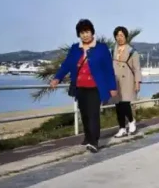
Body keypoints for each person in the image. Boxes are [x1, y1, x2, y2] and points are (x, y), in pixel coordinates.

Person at [50, 19, 117, 153]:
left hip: (95, 87)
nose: (85, 35)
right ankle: (87, 136)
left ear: (92, 32)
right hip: (80, 86)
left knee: (93, 114)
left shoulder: (101, 48)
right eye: (82, 33)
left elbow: (108, 69)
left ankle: (94, 142)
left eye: (87, 32)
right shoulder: (75, 48)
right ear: (78, 34)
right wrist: (57, 78)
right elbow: (67, 65)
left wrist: (112, 87)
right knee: (84, 114)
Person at [112, 26, 141, 137]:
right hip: (115, 81)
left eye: (122, 35)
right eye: (117, 35)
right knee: (118, 105)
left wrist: (137, 82)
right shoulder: (112, 50)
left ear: (126, 37)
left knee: (125, 103)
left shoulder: (132, 51)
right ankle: (122, 128)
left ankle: (131, 121)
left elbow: (137, 68)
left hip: (128, 80)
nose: (119, 38)